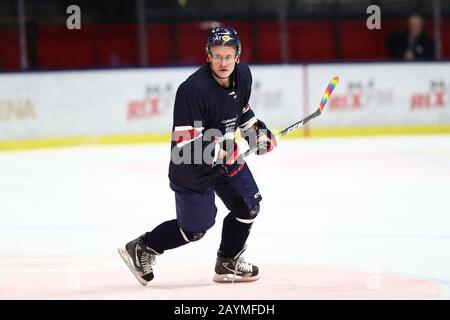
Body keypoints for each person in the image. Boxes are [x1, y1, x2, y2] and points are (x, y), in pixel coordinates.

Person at [118, 27, 277, 285]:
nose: (223, 62)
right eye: (217, 56)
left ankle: (228, 262)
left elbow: (241, 111)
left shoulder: (244, 76)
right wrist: (223, 150)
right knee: (195, 230)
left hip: (224, 160)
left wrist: (257, 133)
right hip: (191, 167)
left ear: (238, 55)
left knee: (248, 206)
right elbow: (185, 146)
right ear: (208, 56)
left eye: (228, 56)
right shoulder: (192, 90)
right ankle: (143, 247)